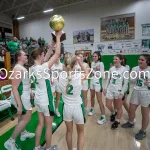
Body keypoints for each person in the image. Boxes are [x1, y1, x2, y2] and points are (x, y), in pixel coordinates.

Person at [30, 31, 62, 150]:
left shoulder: (33, 68)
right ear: (39, 56)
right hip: (46, 101)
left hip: (38, 100)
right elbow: (57, 54)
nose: (44, 57)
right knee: (48, 126)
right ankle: (49, 148)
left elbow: (47, 57)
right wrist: (58, 37)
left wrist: (52, 44)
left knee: (40, 124)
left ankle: (37, 147)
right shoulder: (43, 68)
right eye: (43, 55)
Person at [4, 50, 35, 150]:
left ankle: (23, 133)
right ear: (18, 57)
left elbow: (24, 84)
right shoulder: (18, 69)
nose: (26, 55)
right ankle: (10, 141)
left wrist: (30, 92)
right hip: (21, 97)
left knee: (22, 118)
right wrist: (20, 105)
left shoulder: (21, 68)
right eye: (24, 54)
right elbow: (14, 88)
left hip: (24, 95)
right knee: (27, 118)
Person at [58, 53, 88, 150]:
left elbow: (64, 71)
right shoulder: (79, 76)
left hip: (66, 108)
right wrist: (80, 63)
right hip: (78, 108)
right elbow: (87, 72)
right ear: (75, 64)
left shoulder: (60, 76)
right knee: (81, 132)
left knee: (69, 132)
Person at [122, 54, 150, 140]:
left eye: (142, 60)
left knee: (144, 114)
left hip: (146, 93)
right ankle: (131, 122)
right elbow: (131, 81)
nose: (139, 61)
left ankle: (143, 131)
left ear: (147, 62)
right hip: (136, 91)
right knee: (131, 110)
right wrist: (136, 75)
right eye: (139, 59)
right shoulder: (135, 68)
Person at [103, 54, 128, 130]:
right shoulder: (111, 69)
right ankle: (114, 112)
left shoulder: (124, 70)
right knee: (108, 104)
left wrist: (122, 93)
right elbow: (108, 79)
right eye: (114, 59)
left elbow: (126, 83)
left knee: (119, 107)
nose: (114, 60)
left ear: (121, 60)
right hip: (110, 89)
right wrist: (105, 88)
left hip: (118, 90)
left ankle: (117, 121)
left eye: (116, 59)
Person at [88, 51, 106, 125]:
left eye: (95, 56)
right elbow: (92, 73)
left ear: (99, 57)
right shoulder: (92, 63)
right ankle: (92, 109)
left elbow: (101, 75)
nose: (94, 57)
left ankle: (103, 116)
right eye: (93, 56)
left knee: (99, 100)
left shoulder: (101, 64)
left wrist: (93, 70)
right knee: (92, 97)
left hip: (98, 83)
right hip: (92, 81)